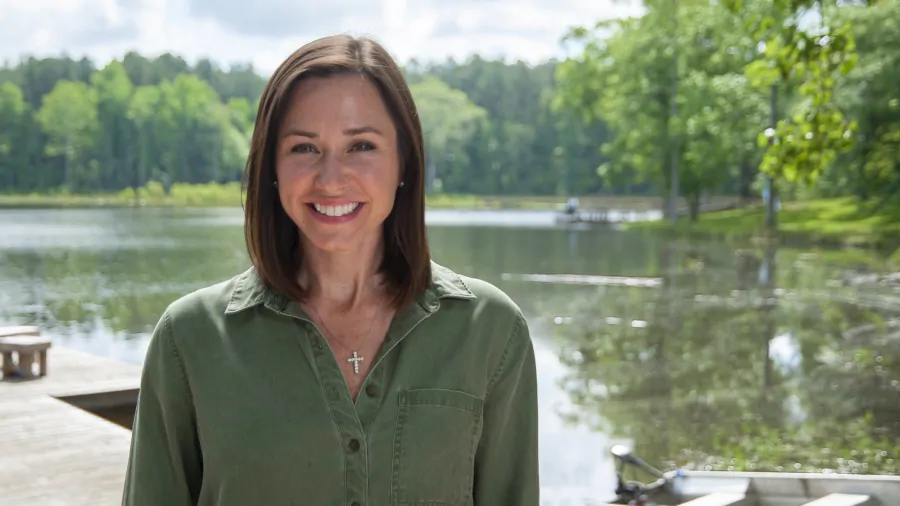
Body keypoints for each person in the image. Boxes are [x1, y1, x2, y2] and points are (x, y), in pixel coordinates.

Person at [121, 34, 540, 506]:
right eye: (304, 148)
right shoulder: (190, 340)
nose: (332, 179)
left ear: (404, 161)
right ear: (272, 167)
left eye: (361, 145)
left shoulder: (490, 332)